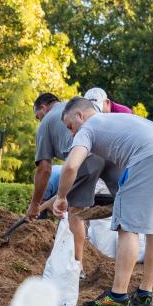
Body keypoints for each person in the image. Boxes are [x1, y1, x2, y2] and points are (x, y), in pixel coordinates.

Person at [53, 97, 153, 306]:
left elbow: (71, 166)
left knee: (127, 227)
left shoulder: (88, 129)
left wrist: (61, 197)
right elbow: (115, 172)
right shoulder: (118, 120)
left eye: (70, 126)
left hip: (148, 157)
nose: (71, 133)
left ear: (80, 115)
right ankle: (145, 294)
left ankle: (118, 295)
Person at [82, 87, 153, 279]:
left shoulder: (123, 114)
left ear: (107, 103)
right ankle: (149, 287)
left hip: (138, 167)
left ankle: (120, 292)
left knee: (129, 225)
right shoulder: (98, 119)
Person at [28, 93, 119, 275]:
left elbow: (44, 170)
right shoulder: (77, 107)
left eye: (37, 116)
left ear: (44, 108)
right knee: (128, 204)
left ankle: (78, 267)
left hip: (84, 157)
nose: (39, 121)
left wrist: (35, 205)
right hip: (111, 152)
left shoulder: (46, 124)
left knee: (75, 212)